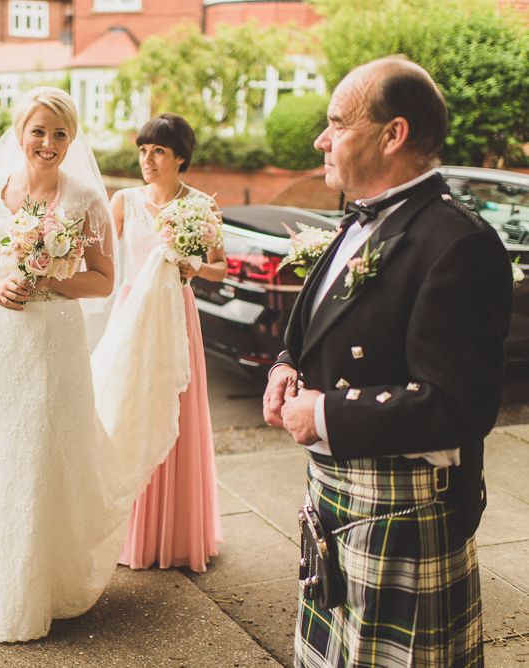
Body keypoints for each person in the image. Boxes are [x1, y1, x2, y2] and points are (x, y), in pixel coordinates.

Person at [262, 57, 513, 666]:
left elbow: (460, 406)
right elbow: (319, 325)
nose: (321, 140)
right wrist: (287, 363)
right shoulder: (358, 220)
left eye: (337, 124)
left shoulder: (459, 243)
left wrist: (326, 414)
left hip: (400, 510)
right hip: (337, 501)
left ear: (392, 134)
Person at [0, 87, 121, 642]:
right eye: (38, 131)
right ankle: (8, 587)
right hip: (1, 340)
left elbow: (104, 279)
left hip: (55, 343)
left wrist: (51, 278)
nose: (47, 143)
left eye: (59, 134)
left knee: (46, 460)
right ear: (19, 131)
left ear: (71, 140)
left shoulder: (85, 202)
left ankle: (51, 586)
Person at [107, 113, 226, 573]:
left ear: (181, 158)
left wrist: (196, 268)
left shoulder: (201, 206)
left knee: (177, 417)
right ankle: (127, 531)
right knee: (126, 414)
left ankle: (174, 533)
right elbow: (92, 253)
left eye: (158, 151)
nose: (147, 160)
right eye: (142, 150)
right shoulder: (124, 202)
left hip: (177, 317)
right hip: (132, 316)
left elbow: (221, 267)